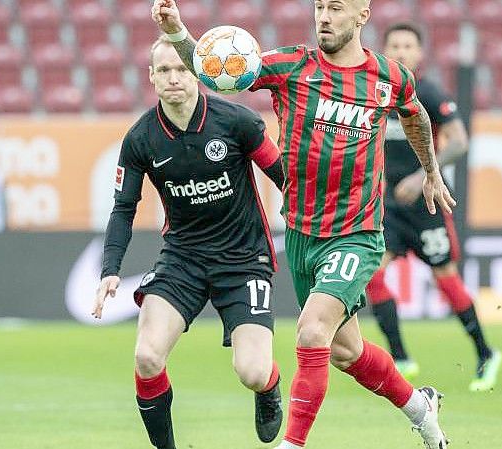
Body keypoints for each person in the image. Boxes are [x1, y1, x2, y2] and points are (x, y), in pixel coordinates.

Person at [153, 1, 455, 448]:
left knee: (312, 329)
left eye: (335, 8)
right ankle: (419, 407)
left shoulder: (388, 76)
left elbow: (414, 113)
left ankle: (292, 444)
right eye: (319, 7)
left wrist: (430, 168)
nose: (324, 17)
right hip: (301, 233)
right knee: (343, 350)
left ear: (362, 15)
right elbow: (215, 66)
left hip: (357, 232)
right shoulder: (293, 65)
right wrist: (178, 31)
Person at [91, 35, 286, 448]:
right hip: (183, 258)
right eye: (164, 70)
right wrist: (110, 269)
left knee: (252, 372)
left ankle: (269, 388)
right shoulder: (140, 139)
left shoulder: (237, 122)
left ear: (197, 73)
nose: (173, 78)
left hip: (243, 258)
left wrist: (313, 221)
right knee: (146, 357)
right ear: (151, 77)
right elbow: (123, 209)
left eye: (181, 69)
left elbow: (284, 176)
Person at [367, 23, 502, 391]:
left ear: (419, 53)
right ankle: (399, 355)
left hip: (426, 204)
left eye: (408, 45)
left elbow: (459, 141)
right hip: (389, 207)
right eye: (393, 44)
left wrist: (425, 173)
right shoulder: (376, 94)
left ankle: (486, 353)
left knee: (445, 278)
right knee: (371, 274)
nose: (400, 51)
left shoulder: (427, 93)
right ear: (383, 49)